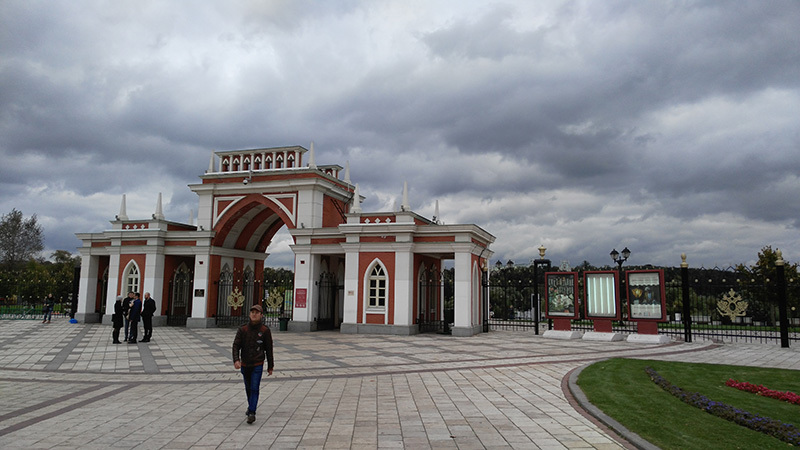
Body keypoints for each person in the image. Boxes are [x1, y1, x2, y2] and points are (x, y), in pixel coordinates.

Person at [232, 304, 274, 424]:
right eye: (252, 312)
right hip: (245, 364)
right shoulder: (243, 329)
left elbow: (269, 349)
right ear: (249, 314)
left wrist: (270, 366)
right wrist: (236, 360)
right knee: (248, 387)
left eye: (257, 313)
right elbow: (236, 346)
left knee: (255, 387)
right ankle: (251, 405)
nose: (254, 315)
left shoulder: (265, 331)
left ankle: (252, 412)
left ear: (261, 315)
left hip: (257, 363)